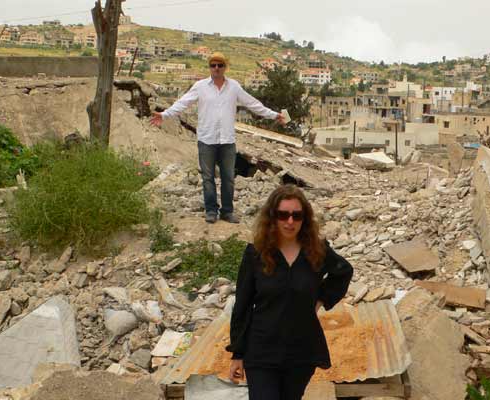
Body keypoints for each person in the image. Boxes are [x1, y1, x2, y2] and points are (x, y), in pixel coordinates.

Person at [226, 184, 353, 400]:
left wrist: (321, 299)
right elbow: (243, 306)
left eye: (297, 215)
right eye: (283, 215)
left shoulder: (317, 251)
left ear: (305, 218)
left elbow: (343, 272)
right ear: (273, 217)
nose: (290, 221)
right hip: (262, 352)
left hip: (301, 352)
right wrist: (238, 354)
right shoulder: (256, 254)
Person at [150, 52, 286, 224]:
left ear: (225, 67)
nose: (216, 68)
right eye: (213, 65)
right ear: (209, 67)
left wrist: (274, 115)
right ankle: (211, 211)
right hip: (206, 139)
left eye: (220, 65)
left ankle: (227, 212)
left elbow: (253, 104)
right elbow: (183, 103)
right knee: (208, 178)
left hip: (227, 141)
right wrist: (164, 114)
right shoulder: (200, 86)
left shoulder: (234, 86)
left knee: (228, 178)